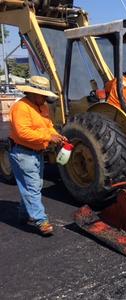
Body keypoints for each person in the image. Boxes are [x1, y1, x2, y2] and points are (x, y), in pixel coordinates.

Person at [9, 76, 67, 236]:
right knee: (32, 187)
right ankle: (41, 221)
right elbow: (23, 133)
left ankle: (23, 213)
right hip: (23, 153)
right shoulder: (21, 107)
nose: (45, 98)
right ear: (33, 93)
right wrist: (48, 137)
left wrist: (57, 136)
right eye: (42, 94)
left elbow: (49, 127)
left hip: (37, 153)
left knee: (33, 186)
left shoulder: (43, 107)